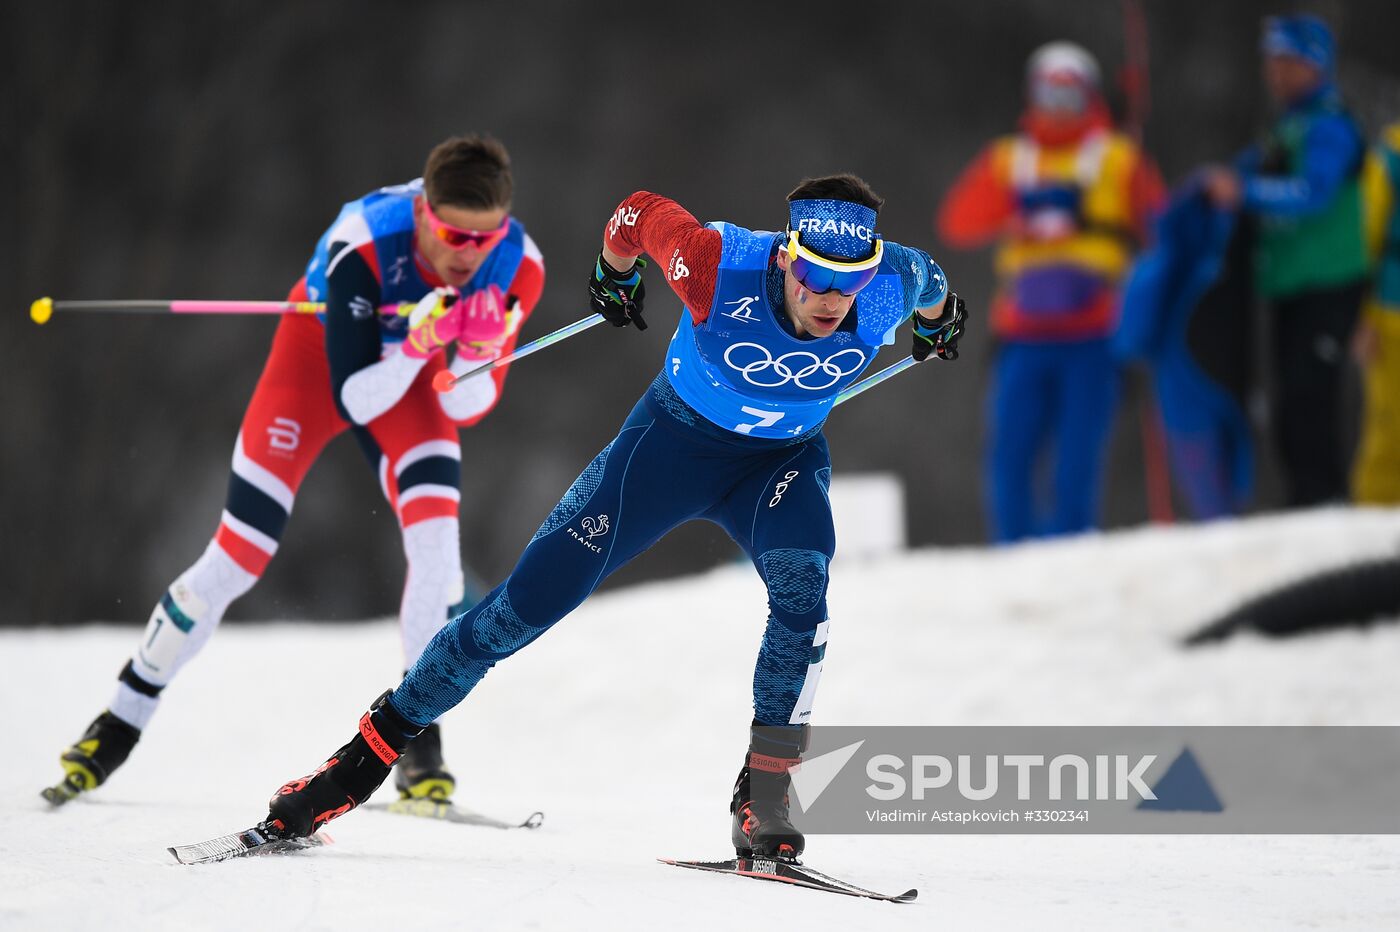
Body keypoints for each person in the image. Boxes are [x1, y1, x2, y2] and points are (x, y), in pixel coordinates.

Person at [254, 174, 965, 859]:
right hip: (668, 450)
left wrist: (938, 323)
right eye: (815, 277)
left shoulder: (894, 282)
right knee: (518, 611)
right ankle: (360, 761)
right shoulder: (716, 264)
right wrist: (614, 270)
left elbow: (935, 291)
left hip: (777, 466)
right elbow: (638, 211)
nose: (833, 299)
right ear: (785, 256)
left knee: (805, 597)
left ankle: (766, 795)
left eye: (852, 281)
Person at [47, 135, 545, 806]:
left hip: (419, 377)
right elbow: (356, 396)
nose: (469, 255)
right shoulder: (363, 245)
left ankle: (418, 745)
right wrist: (422, 343)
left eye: (485, 240)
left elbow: (467, 404)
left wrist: (477, 348)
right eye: (455, 236)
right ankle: (119, 720)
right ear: (425, 214)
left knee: (437, 555)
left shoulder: (518, 266)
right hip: (319, 366)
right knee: (239, 556)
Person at [937, 41, 1164, 543]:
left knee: (1077, 458)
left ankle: (1071, 550)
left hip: (1095, 332)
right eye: (1049, 93)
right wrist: (1014, 210)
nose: (1058, 107)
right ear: (1032, 94)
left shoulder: (1118, 156)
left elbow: (1159, 231)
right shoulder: (1010, 158)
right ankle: (1016, 554)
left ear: (1089, 97)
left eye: (1070, 95)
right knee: (1009, 454)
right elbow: (957, 221)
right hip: (1023, 332)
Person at [1200, 14, 1368, 507]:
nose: (1277, 73)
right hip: (1290, 285)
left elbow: (1314, 194)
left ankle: (1327, 507)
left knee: (1309, 402)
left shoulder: (1330, 124)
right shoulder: (1286, 126)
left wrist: (1244, 192)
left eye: (1289, 62)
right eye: (1272, 62)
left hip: (1329, 284)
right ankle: (1306, 509)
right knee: (1286, 409)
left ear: (1315, 66)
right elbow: (1240, 173)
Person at [1350, 120, 1400, 504]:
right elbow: (1364, 232)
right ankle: (1374, 531)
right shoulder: (1392, 150)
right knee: (1389, 423)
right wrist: (1360, 313)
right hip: (1390, 309)